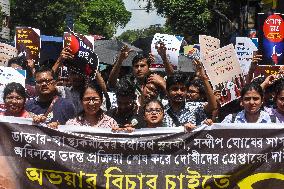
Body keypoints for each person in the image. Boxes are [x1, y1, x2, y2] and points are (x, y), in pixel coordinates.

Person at [163, 60, 217, 129]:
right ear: (167, 91)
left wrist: (204, 78)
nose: (179, 92)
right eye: (175, 89)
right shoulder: (161, 109)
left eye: (182, 89)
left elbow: (213, 106)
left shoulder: (194, 108)